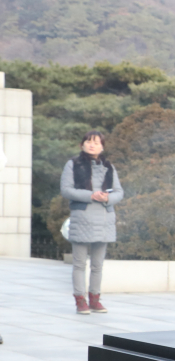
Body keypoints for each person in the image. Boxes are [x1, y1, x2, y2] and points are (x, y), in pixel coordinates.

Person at [61, 130, 124, 314]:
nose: (92, 145)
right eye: (88, 141)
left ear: (102, 146)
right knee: (79, 263)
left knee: (98, 264)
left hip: (104, 218)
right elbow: (66, 190)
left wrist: (107, 198)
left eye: (96, 142)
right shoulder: (73, 164)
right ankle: (80, 300)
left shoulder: (109, 166)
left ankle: (95, 299)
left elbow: (119, 192)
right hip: (82, 217)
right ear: (82, 144)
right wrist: (91, 195)